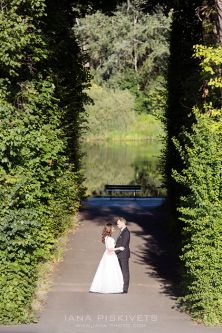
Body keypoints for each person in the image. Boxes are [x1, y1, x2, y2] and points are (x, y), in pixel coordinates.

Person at [89, 223, 124, 293]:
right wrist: (119, 248)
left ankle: (106, 286)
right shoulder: (109, 238)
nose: (114, 229)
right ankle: (110, 287)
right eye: (113, 228)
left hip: (108, 255)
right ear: (109, 229)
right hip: (110, 256)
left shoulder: (106, 237)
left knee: (106, 270)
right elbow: (109, 249)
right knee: (110, 270)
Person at [115, 217, 130, 293]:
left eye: (118, 224)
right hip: (119, 255)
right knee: (120, 271)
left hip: (123, 255)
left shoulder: (126, 232)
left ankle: (125, 289)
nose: (117, 225)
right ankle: (121, 286)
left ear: (122, 222)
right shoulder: (122, 231)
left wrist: (113, 250)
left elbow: (123, 246)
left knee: (125, 271)